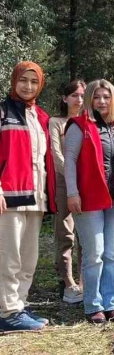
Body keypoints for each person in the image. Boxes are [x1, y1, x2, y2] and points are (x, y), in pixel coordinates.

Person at [65, 79, 114, 323]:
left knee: (110, 253)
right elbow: (69, 161)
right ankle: (93, 305)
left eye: (106, 97)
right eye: (97, 97)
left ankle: (111, 303)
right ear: (90, 99)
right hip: (88, 200)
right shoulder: (79, 126)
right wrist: (72, 192)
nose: (102, 101)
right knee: (94, 254)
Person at [0, 62, 57, 332]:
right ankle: (7, 310)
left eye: (34, 81)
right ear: (14, 81)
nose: (28, 86)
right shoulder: (2, 112)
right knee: (8, 257)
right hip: (8, 197)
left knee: (28, 258)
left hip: (36, 197)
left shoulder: (41, 116)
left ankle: (19, 305)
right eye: (24, 80)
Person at [49, 79, 86, 304]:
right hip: (65, 183)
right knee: (66, 233)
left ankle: (83, 281)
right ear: (65, 98)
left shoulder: (88, 121)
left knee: (86, 234)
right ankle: (67, 281)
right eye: (74, 95)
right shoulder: (56, 122)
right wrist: (72, 178)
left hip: (87, 184)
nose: (79, 100)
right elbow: (57, 155)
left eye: (82, 95)